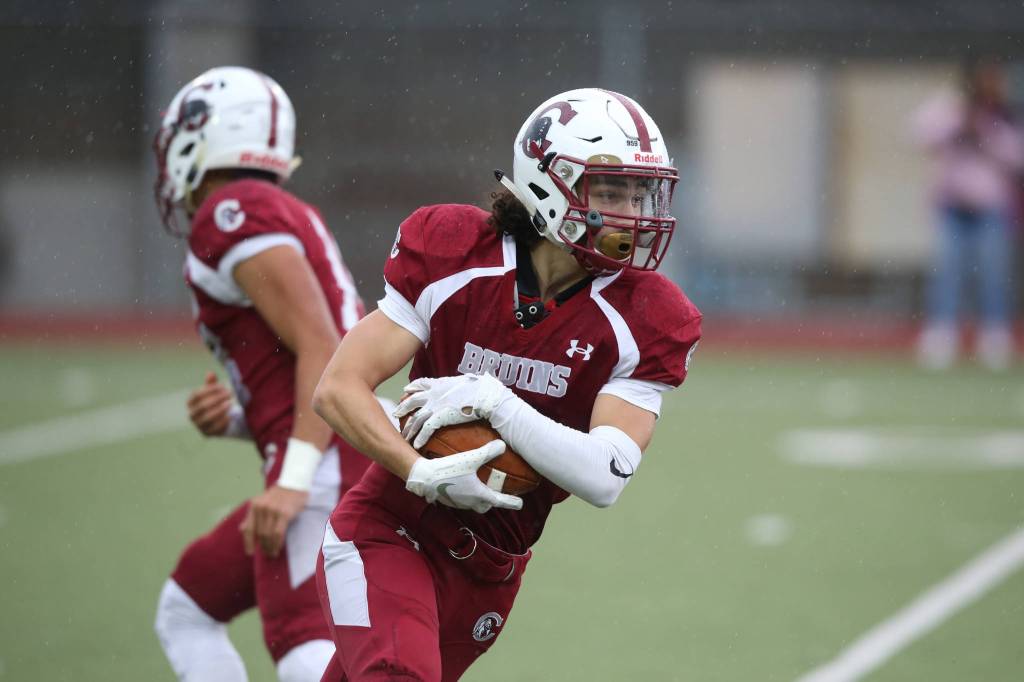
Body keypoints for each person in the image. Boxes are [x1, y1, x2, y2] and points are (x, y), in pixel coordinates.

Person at [311, 88, 702, 681]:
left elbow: (605, 475)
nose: (633, 210)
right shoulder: (455, 253)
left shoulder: (648, 315)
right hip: (390, 532)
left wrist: (495, 401)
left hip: (491, 568)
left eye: (639, 191)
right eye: (612, 189)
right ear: (549, 181)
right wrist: (419, 471)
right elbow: (338, 389)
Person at [151, 66, 372, 681]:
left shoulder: (232, 210)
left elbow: (323, 346)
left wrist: (294, 482)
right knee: (188, 606)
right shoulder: (274, 207)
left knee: (305, 645)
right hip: (334, 452)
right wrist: (241, 420)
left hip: (322, 468)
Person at [912, 58, 1024, 370]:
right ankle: (942, 335)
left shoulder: (1004, 116)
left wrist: (985, 137)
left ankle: (994, 336)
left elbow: (1017, 158)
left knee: (993, 274)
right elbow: (919, 132)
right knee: (948, 273)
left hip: (991, 209)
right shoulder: (952, 108)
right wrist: (959, 119)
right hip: (953, 208)